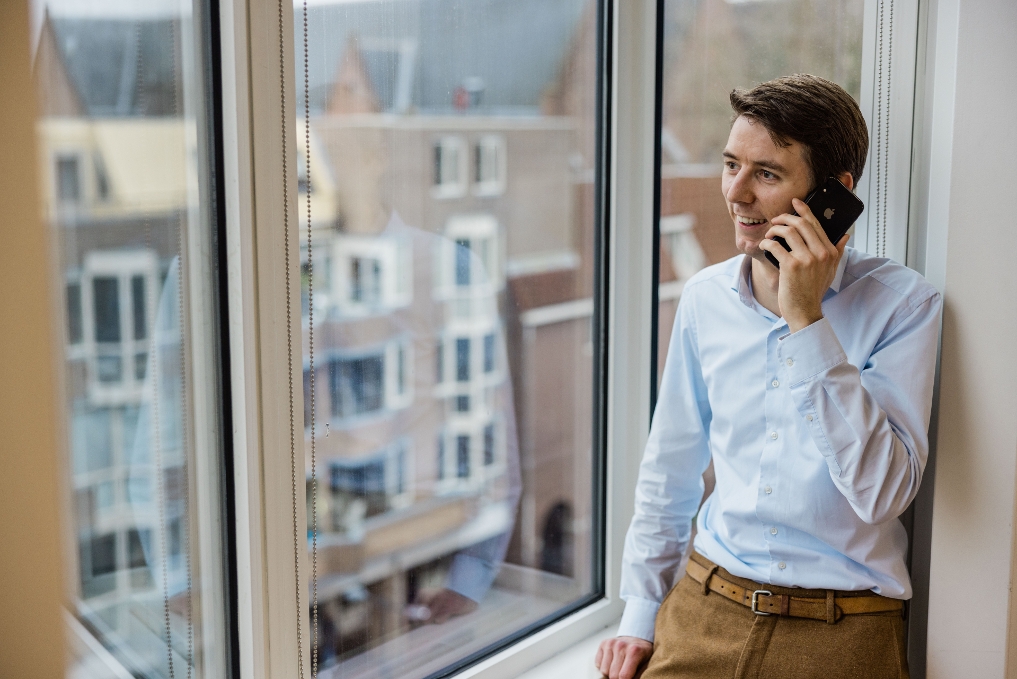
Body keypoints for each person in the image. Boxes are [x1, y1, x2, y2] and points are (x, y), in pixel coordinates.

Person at [595, 74, 942, 679]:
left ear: (835, 195)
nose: (736, 193)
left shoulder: (903, 306)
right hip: (705, 606)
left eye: (767, 174)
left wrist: (806, 321)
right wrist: (639, 614)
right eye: (731, 164)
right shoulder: (705, 297)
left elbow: (883, 495)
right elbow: (670, 466)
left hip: (845, 628)